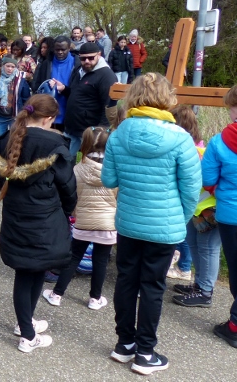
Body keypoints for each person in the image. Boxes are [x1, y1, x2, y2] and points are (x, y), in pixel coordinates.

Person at [101, 73, 200, 375]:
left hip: (129, 222)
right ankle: (145, 352)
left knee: (126, 281)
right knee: (153, 286)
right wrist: (180, 219)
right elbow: (191, 190)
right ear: (167, 97)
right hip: (164, 226)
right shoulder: (181, 138)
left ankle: (124, 344)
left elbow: (109, 180)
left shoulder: (119, 133)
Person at [0, 94, 77, 353]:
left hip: (16, 214)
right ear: (49, 118)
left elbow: (1, 180)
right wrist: (67, 212)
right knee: (33, 270)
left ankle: (25, 321)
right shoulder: (56, 145)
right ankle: (28, 337)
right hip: (45, 217)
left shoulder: (7, 139)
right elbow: (68, 187)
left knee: (30, 269)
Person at [42, 126, 116, 310]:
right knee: (101, 261)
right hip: (108, 224)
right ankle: (95, 298)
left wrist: (73, 214)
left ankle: (57, 294)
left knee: (73, 257)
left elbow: (73, 195)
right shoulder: (115, 171)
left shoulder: (77, 169)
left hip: (83, 221)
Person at [200, 85, 237, 348]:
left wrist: (218, 190)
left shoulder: (219, 141)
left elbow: (207, 178)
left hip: (231, 213)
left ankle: (235, 326)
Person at [168, 105, 217, 302]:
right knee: (195, 245)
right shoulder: (196, 148)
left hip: (208, 210)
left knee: (208, 249)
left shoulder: (194, 152)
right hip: (196, 209)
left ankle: (205, 291)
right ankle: (199, 285)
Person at [56, 42, 117, 158]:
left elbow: (108, 105)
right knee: (62, 160)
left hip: (90, 130)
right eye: (83, 59)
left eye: (91, 58)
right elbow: (76, 92)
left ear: (99, 55)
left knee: (92, 162)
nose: (87, 61)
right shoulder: (79, 70)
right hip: (71, 127)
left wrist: (101, 131)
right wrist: (64, 89)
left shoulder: (106, 75)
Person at [0, 56, 32, 181]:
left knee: (14, 142)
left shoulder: (21, 81)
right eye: (8, 66)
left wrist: (25, 113)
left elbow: (26, 99)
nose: (10, 69)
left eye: (12, 66)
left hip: (15, 116)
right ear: (3, 66)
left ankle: (11, 169)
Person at [32, 36, 78, 133]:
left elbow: (79, 90)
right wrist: (47, 87)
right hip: (49, 113)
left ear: (69, 48)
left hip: (69, 112)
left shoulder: (77, 64)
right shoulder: (46, 63)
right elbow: (36, 85)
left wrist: (64, 89)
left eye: (63, 49)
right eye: (57, 50)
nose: (60, 52)